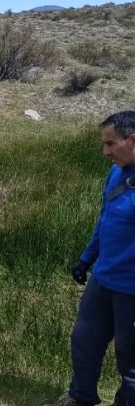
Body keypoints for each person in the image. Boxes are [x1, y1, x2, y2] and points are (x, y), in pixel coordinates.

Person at [46, 110, 135, 406]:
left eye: (110, 144)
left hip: (131, 290)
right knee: (84, 340)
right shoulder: (116, 173)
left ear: (132, 140)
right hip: (103, 279)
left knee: (130, 359)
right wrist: (87, 259)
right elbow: (105, 219)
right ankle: (80, 397)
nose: (105, 152)